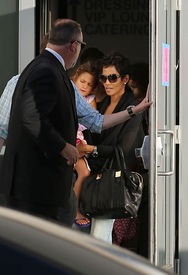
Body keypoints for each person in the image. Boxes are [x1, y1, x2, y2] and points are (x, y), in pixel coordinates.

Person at [0, 20, 152, 226]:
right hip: (34, 188)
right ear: (73, 45)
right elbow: (32, 117)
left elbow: (95, 121)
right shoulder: (46, 71)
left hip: (40, 187)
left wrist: (136, 109)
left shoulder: (50, 71)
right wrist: (63, 147)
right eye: (81, 45)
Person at [77, 51, 148, 243]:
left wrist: (91, 150)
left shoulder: (132, 109)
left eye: (112, 77)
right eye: (103, 77)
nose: (107, 82)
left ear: (125, 79)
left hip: (111, 182)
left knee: (99, 237)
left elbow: (123, 152)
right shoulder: (100, 103)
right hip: (92, 178)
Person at [112, 62, 149, 258]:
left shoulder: (140, 108)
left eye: (133, 86)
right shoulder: (128, 107)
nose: (130, 90)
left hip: (135, 175)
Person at [71, 62, 98, 227]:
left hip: (79, 142)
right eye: (82, 81)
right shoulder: (66, 93)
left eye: (89, 84)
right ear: (75, 79)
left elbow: (91, 121)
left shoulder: (90, 100)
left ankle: (75, 208)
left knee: (86, 172)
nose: (85, 86)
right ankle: (72, 209)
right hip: (64, 140)